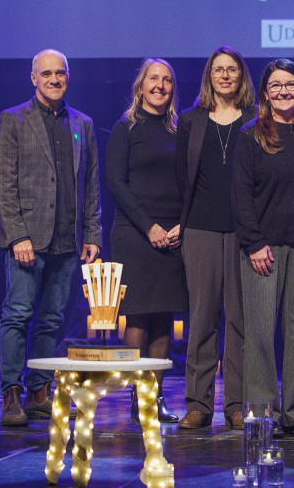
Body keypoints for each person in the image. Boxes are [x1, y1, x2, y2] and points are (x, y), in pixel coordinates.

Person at [0, 49, 102, 427]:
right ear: (33, 78)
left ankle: (39, 392)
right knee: (18, 315)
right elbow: (3, 184)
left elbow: (90, 185)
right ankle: (11, 393)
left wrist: (92, 233)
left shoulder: (82, 123)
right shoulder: (13, 120)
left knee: (51, 319)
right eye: (47, 74)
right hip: (27, 240)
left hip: (66, 241)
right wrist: (16, 235)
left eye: (61, 73)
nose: (54, 79)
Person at [233, 60, 294, 437]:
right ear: (265, 92)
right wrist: (254, 242)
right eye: (276, 85)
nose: (284, 91)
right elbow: (240, 195)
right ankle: (260, 412)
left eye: (291, 85)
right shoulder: (251, 134)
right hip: (263, 248)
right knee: (259, 332)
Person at [176, 47, 257, 430]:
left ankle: (237, 405)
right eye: (218, 70)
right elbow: (181, 177)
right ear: (209, 75)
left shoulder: (258, 119)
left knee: (240, 322)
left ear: (242, 76)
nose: (225, 76)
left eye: (232, 70)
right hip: (201, 230)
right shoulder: (191, 120)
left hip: (244, 233)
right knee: (202, 319)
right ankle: (198, 404)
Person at [106, 59, 188, 424]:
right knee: (138, 314)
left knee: (164, 316)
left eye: (167, 80)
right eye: (153, 79)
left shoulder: (180, 129)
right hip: (135, 233)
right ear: (141, 86)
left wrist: (181, 225)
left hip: (173, 235)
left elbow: (190, 182)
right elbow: (117, 184)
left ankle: (154, 399)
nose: (160, 85)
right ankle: (137, 397)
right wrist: (149, 226)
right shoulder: (126, 129)